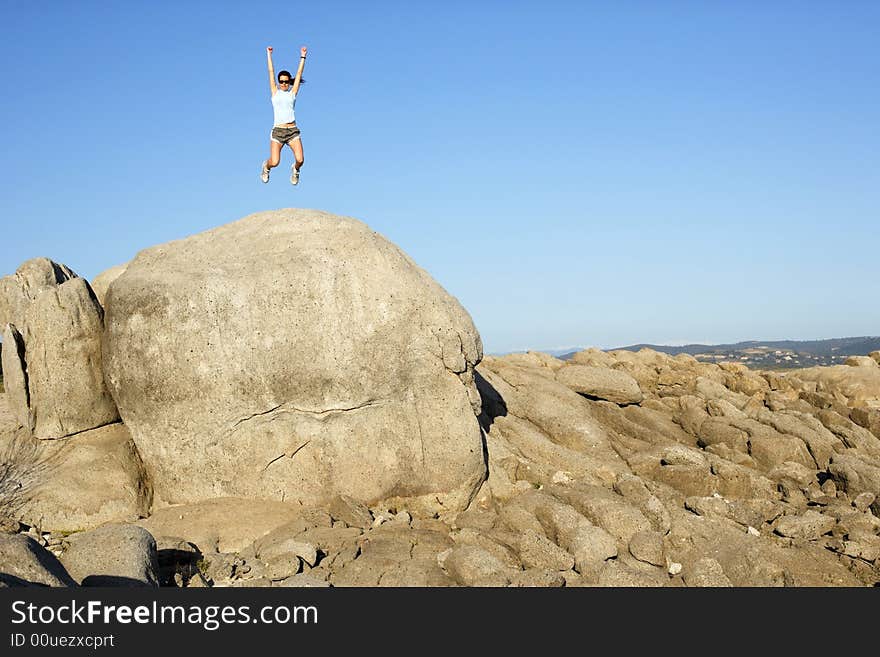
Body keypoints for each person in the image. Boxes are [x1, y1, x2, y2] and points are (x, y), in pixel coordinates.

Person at [261, 45, 307, 185]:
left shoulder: (292, 94)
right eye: (281, 81)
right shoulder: (275, 92)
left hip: (292, 131)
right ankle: (266, 167)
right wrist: (269, 54)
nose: (284, 84)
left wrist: (303, 56)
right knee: (275, 162)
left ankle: (295, 170)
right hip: (278, 131)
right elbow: (270, 71)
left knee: (300, 160)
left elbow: (298, 74)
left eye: (286, 81)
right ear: (278, 82)